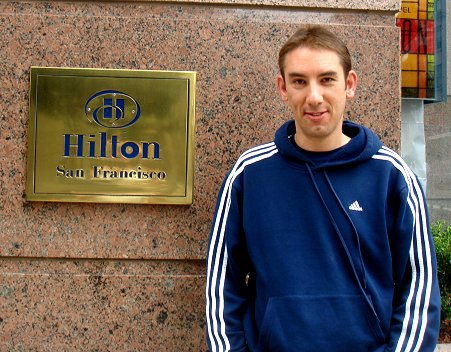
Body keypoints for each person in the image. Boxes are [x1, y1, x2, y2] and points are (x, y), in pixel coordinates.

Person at [205, 25, 441, 352]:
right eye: (300, 81)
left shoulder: (391, 176)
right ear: (283, 88)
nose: (314, 96)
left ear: (350, 84)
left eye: (327, 79)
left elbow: (419, 289)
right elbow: (222, 285)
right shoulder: (250, 174)